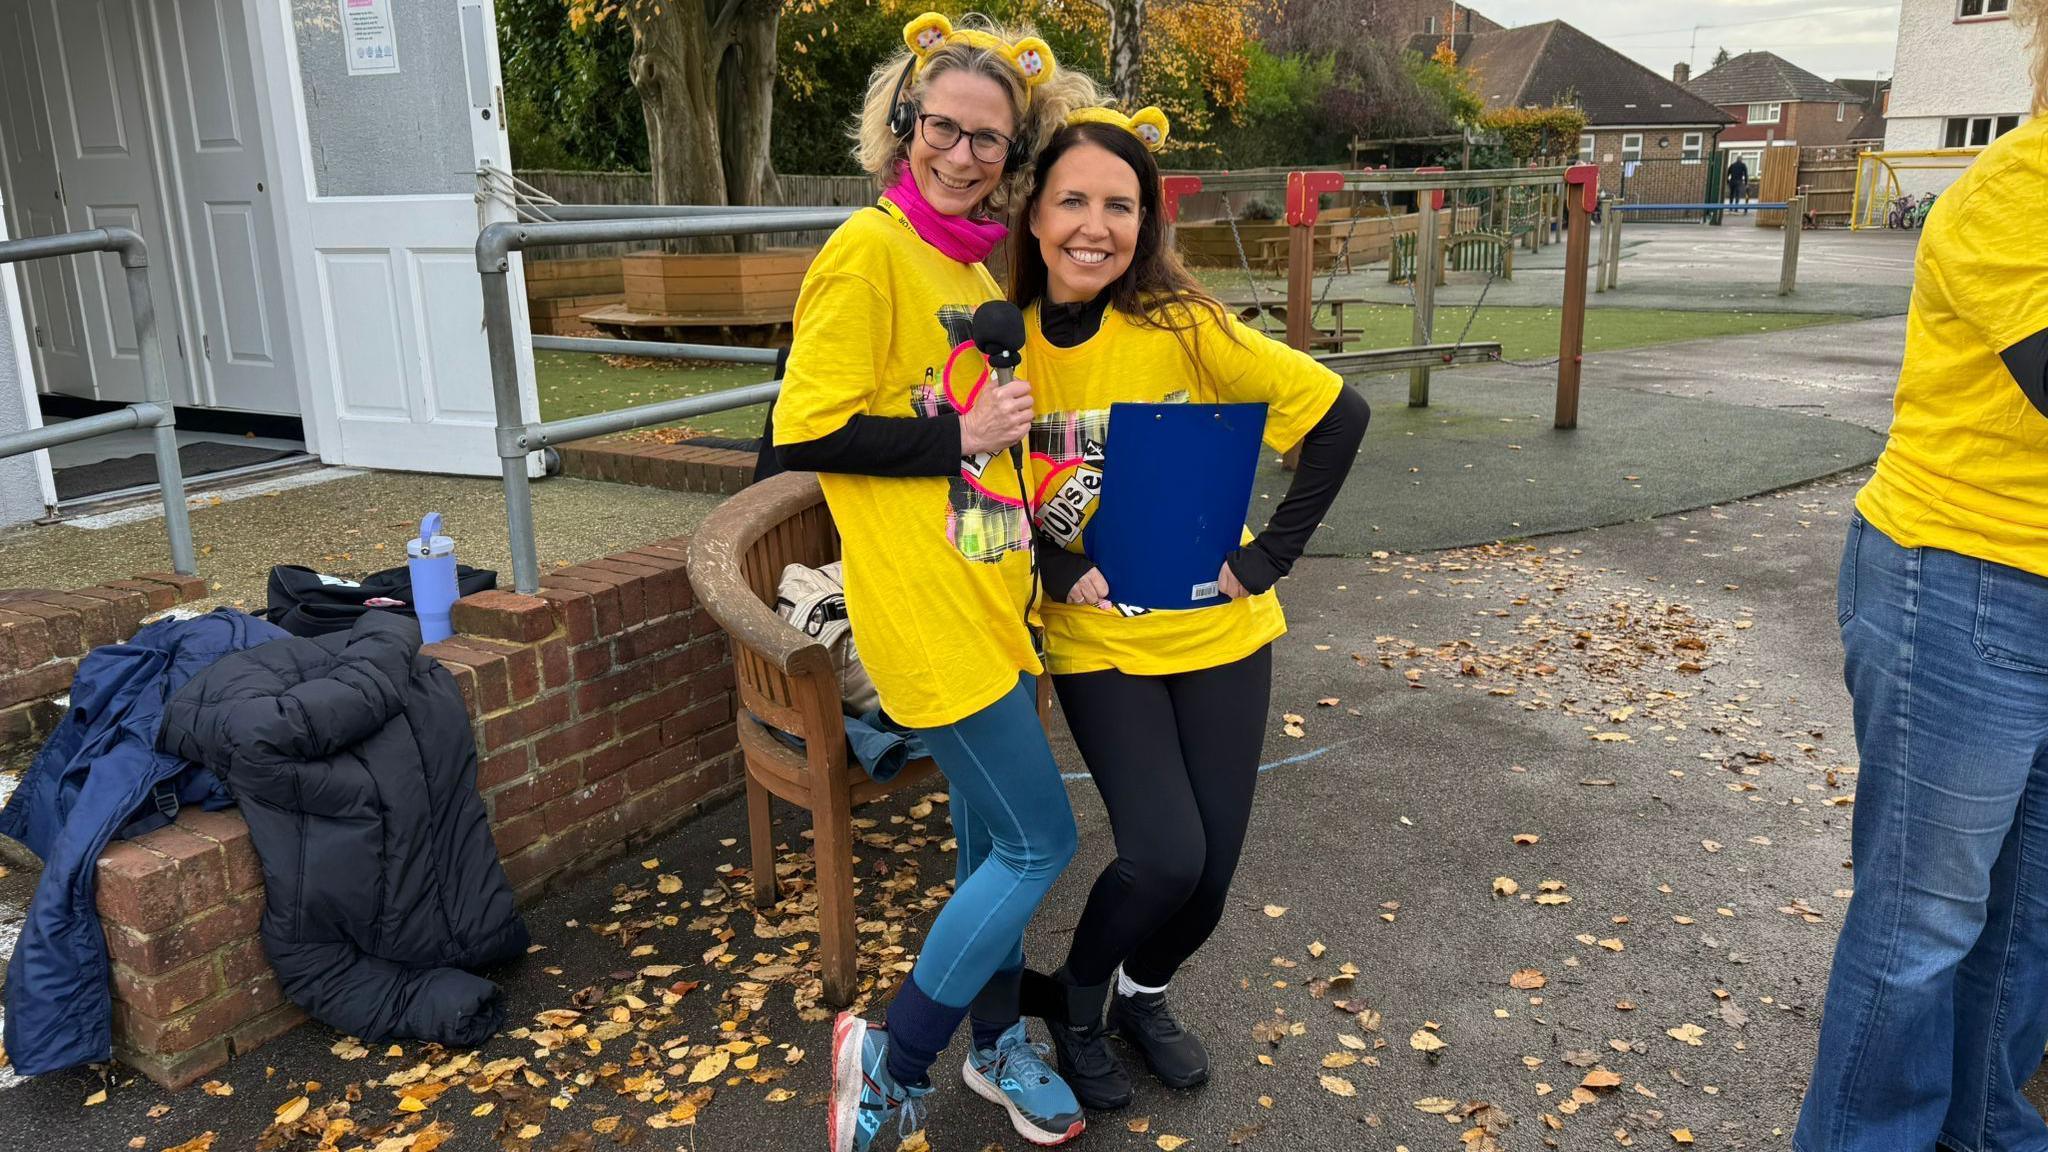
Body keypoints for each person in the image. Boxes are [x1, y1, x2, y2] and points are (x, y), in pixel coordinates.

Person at [772, 14, 1098, 1152]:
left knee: (983, 842)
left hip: (992, 599)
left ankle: (997, 1043)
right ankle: (894, 1057)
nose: (964, 156)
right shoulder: (866, 252)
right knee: (1038, 846)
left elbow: (1002, 434)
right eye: (943, 130)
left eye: (989, 142)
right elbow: (799, 430)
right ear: (902, 127)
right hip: (922, 613)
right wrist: (953, 438)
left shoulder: (969, 256)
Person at [1007, 106, 1369, 1109]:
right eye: (1071, 199)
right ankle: (1075, 1001)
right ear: (1033, 216)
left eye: (1118, 205)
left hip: (1220, 632)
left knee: (1207, 885)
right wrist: (1046, 557)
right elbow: (980, 486)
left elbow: (1340, 416)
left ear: (1145, 222)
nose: (1094, 224)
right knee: (1164, 854)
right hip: (1098, 642)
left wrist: (1267, 558)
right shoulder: (1005, 346)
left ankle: (1139, 995)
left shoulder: (1183, 325)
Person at [1794, 3, 2048, 1149]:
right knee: (1921, 923)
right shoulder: (2014, 189)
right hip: (1961, 581)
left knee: (2027, 917)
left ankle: (1983, 1129)